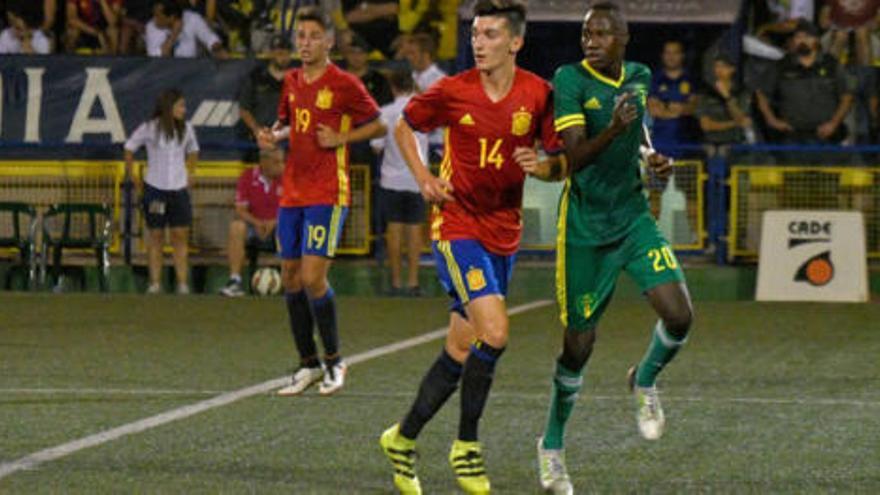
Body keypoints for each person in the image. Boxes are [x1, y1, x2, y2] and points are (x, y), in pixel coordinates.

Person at [377, 1, 563, 493]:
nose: (479, 43)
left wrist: (545, 167)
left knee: (462, 347)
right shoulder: (453, 90)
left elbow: (557, 158)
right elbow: (404, 125)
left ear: (515, 42)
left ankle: (401, 439)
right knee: (495, 333)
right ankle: (467, 447)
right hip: (457, 224)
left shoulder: (537, 94)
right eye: (476, 34)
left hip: (504, 232)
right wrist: (423, 177)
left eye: (490, 34)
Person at [534, 3, 693, 493]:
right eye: (586, 33)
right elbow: (574, 156)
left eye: (602, 34)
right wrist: (614, 130)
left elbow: (640, 132)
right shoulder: (570, 79)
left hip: (632, 216)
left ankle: (643, 379)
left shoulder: (640, 76)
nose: (592, 41)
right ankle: (552, 446)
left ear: (624, 38)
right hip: (585, 228)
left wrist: (652, 159)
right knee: (577, 347)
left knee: (679, 315)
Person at [258, 6, 385, 397]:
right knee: (291, 277)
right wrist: (273, 136)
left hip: (328, 192)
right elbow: (287, 123)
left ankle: (335, 361)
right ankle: (308, 364)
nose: (306, 43)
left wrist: (342, 138)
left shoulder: (344, 83)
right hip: (293, 192)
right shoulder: (292, 81)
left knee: (313, 277)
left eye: (314, 36)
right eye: (301, 36)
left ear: (329, 41)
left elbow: (379, 124)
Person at [124, 89, 199, 295]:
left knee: (180, 236)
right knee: (156, 235)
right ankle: (155, 283)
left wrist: (191, 172)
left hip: (179, 190)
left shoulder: (187, 129)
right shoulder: (149, 128)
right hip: (155, 190)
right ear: (169, 107)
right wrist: (133, 176)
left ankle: (182, 283)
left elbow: (193, 150)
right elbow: (129, 148)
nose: (184, 110)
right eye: (180, 106)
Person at [370, 70, 428, 296]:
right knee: (414, 229)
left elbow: (376, 147)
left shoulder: (385, 113)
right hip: (416, 179)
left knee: (393, 228)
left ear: (393, 88)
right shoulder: (422, 110)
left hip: (391, 180)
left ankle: (395, 283)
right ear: (412, 86)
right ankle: (413, 283)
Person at [756, 20, 855, 144]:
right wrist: (771, 120)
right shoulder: (781, 66)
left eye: (807, 36)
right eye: (798, 37)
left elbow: (847, 96)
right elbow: (761, 94)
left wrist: (834, 123)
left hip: (827, 135)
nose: (802, 41)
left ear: (817, 40)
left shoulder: (831, 65)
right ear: (793, 41)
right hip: (791, 135)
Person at [220, 148, 283, 297]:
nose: (281, 166)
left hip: (278, 227)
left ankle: (293, 283)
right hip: (254, 228)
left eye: (282, 161)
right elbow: (240, 210)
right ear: (264, 162)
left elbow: (294, 209)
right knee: (236, 226)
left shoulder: (289, 178)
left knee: (291, 227)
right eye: (276, 162)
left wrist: (274, 222)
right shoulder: (247, 177)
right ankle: (234, 281)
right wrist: (257, 223)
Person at [238, 33, 292, 160]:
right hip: (261, 140)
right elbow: (244, 109)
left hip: (288, 141)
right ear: (271, 53)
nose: (283, 58)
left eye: (287, 54)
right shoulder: (256, 77)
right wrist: (257, 130)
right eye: (280, 53)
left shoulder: (298, 79)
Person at [647, 40, 700, 151]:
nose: (671, 57)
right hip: (660, 140)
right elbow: (654, 110)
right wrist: (678, 109)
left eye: (675, 53)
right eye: (668, 53)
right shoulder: (655, 79)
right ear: (662, 56)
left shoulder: (691, 78)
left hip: (687, 140)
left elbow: (693, 108)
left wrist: (665, 107)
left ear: (682, 55)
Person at [696, 53, 754, 146]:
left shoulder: (741, 92)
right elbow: (706, 125)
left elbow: (741, 118)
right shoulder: (706, 93)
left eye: (724, 66)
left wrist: (727, 96)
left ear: (732, 69)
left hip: (736, 142)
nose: (719, 70)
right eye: (717, 66)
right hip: (711, 142)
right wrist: (734, 124)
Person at [145, 0, 226, 58]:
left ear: (171, 17)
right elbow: (156, 58)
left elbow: (210, 39)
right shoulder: (151, 27)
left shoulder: (192, 18)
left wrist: (217, 49)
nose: (154, 19)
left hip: (192, 69)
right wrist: (174, 34)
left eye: (157, 16)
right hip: (164, 73)